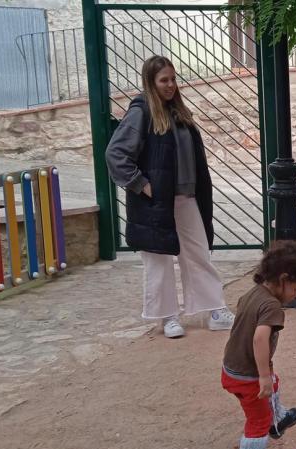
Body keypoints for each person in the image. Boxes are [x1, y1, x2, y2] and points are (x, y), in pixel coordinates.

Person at [105, 55, 234, 339]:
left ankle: (214, 310)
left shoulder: (178, 113)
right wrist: (141, 184)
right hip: (155, 202)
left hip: (186, 197)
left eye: (173, 79)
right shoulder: (141, 112)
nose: (171, 85)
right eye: (164, 80)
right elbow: (115, 154)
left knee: (198, 253)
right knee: (159, 261)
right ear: (150, 82)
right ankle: (167, 317)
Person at [221, 242, 296, 449]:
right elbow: (259, 338)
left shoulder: (253, 293)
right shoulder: (272, 307)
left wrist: (267, 374)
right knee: (257, 422)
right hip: (248, 376)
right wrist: (262, 376)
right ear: (283, 278)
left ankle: (278, 419)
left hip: (232, 368)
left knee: (273, 381)